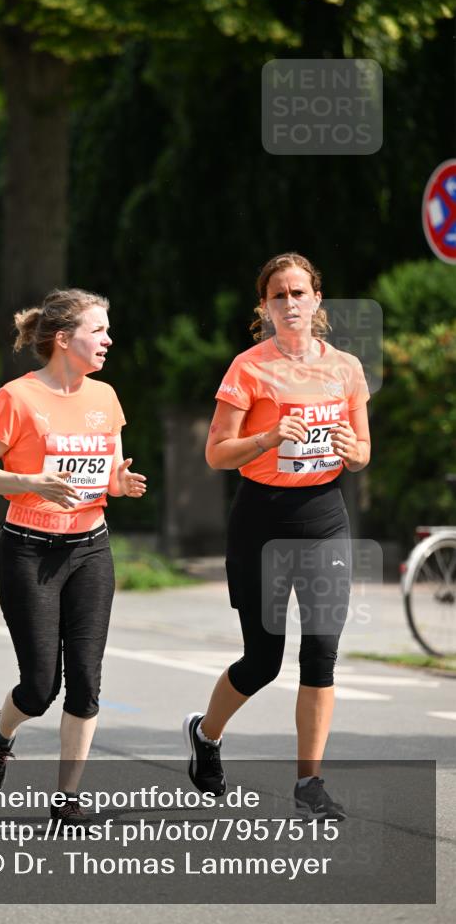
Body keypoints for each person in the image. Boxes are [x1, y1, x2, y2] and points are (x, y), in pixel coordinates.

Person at [183, 253, 371, 820]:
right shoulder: (248, 369)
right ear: (263, 307)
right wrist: (267, 438)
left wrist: (348, 449)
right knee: (263, 660)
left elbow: (362, 453)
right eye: (278, 296)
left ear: (318, 300)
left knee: (322, 653)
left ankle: (309, 783)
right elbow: (216, 452)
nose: (290, 303)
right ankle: (207, 735)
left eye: (299, 293)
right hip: (261, 521)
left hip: (324, 517)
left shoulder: (346, 368)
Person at [0, 288, 146, 824]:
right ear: (64, 340)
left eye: (108, 330)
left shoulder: (106, 398)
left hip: (91, 547)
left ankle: (68, 799)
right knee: (41, 686)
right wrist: (30, 482)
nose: (108, 339)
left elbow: (108, 475)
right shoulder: (16, 398)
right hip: (28, 551)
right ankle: (0, 735)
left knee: (86, 679)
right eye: (98, 330)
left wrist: (121, 482)